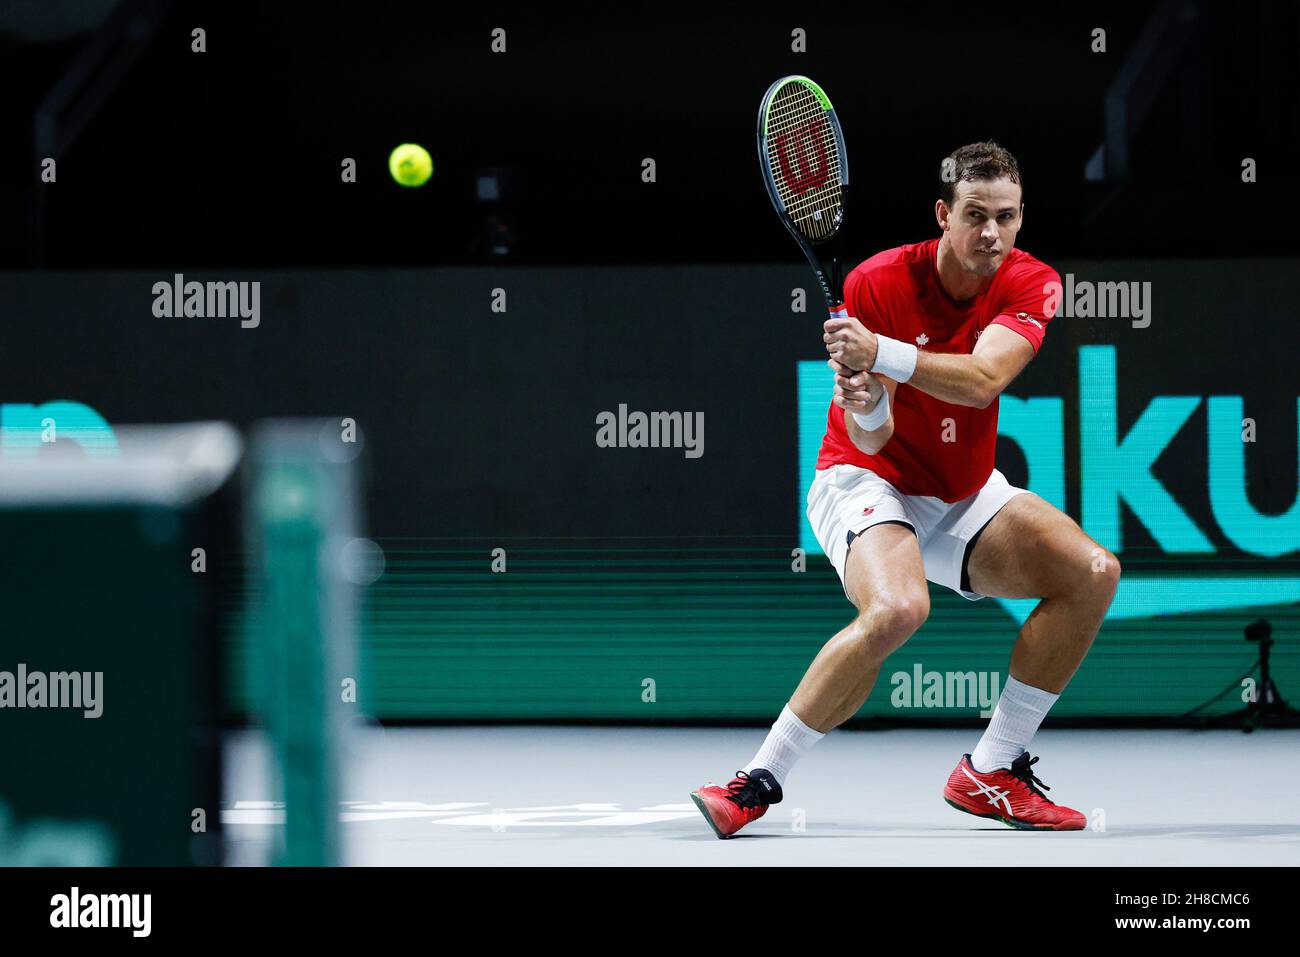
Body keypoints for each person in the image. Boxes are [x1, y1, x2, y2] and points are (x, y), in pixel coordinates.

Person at [691, 142, 1119, 838]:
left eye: (1006, 217)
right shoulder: (876, 281)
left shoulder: (1032, 280)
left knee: (1093, 573)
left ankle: (992, 769)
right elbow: (872, 435)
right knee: (897, 608)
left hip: (962, 492)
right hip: (866, 477)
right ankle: (756, 780)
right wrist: (863, 397)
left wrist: (879, 354)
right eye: (975, 215)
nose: (991, 233)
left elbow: (984, 380)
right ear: (942, 215)